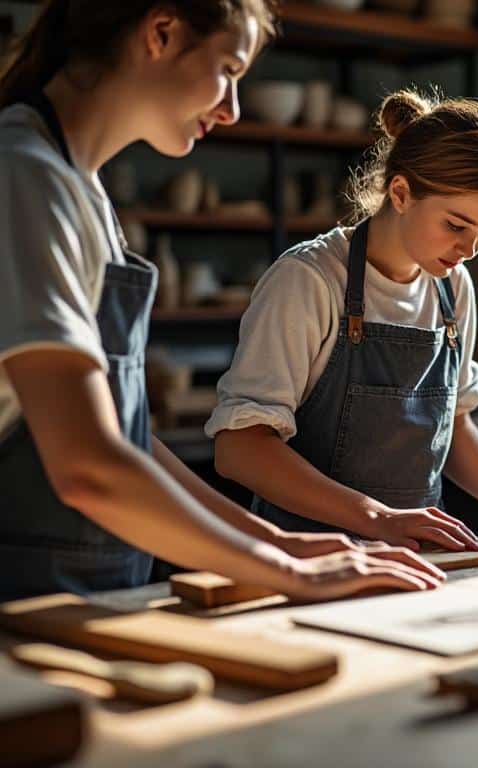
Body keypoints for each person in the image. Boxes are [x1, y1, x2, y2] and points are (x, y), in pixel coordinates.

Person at [0, 0, 446, 602]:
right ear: (160, 33)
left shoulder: (80, 190)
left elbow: (127, 443)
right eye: (229, 70)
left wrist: (282, 544)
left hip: (81, 594)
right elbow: (89, 467)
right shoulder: (24, 176)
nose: (232, 109)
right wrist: (289, 574)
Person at [209, 89, 478, 549]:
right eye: (456, 225)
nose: (469, 249)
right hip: (310, 557)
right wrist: (378, 517)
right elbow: (240, 449)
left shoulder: (453, 287)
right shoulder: (309, 279)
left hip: (418, 556)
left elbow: (454, 426)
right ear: (401, 193)